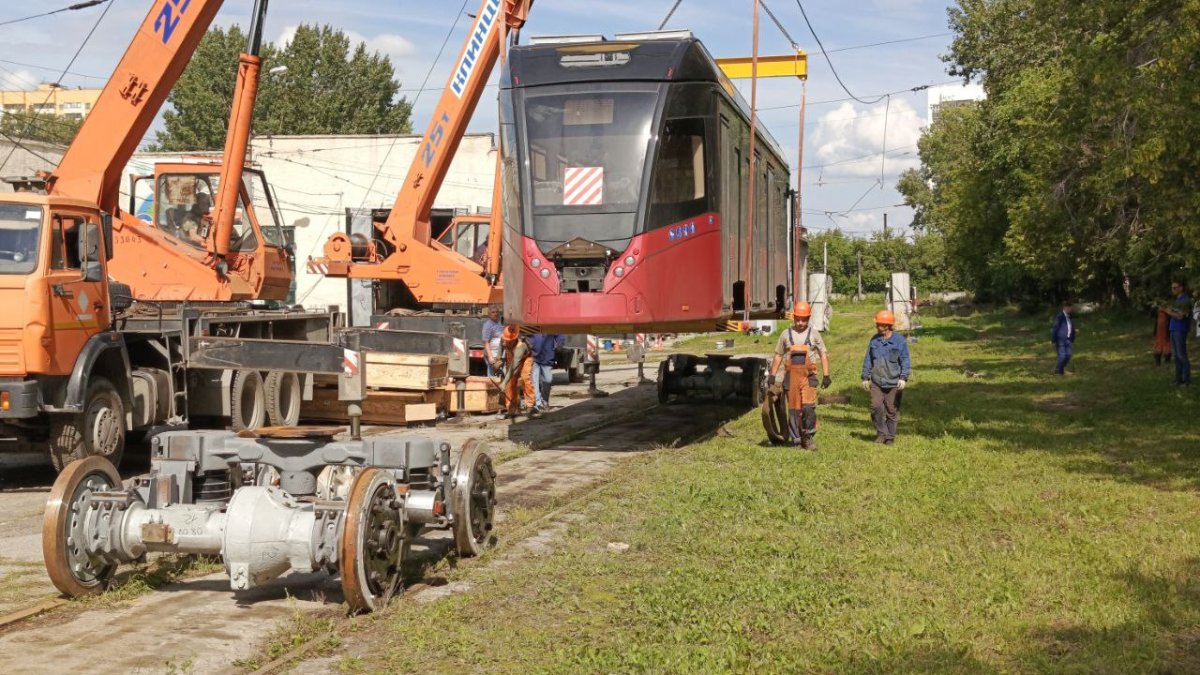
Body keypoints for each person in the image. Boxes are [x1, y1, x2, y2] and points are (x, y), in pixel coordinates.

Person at [767, 302, 831, 450]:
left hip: (809, 377)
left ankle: (807, 438)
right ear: (794, 317)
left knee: (809, 408)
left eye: (804, 319)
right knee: (794, 410)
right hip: (791, 378)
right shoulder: (785, 334)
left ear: (808, 318)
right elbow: (778, 356)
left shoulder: (814, 334)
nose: (801, 323)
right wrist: (772, 375)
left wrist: (826, 374)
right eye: (798, 319)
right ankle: (796, 440)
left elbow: (823, 354)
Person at [861, 310, 911, 445]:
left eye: (879, 325)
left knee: (891, 410)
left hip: (894, 382)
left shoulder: (899, 341)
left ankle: (890, 437)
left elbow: (905, 360)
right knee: (876, 407)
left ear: (887, 326)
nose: (876, 327)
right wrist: (865, 377)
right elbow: (868, 359)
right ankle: (881, 433)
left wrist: (903, 377)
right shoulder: (874, 340)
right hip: (877, 381)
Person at [500, 325, 536, 418]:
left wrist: (503, 382)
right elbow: (501, 346)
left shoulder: (520, 346)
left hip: (526, 358)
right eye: (506, 340)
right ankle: (512, 408)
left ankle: (530, 405)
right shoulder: (504, 338)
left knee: (525, 378)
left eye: (509, 340)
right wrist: (498, 359)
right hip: (513, 357)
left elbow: (514, 367)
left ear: (514, 339)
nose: (506, 341)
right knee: (510, 383)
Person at [529, 333, 564, 411]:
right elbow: (526, 335)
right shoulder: (533, 324)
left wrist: (559, 344)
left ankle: (544, 400)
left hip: (548, 357)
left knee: (548, 380)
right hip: (534, 356)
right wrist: (529, 343)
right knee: (535, 381)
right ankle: (538, 404)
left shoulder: (549, 324)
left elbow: (559, 335)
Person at [1166, 280, 1192, 386]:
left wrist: (1168, 311)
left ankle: (1186, 379)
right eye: (1172, 288)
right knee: (1176, 355)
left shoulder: (1185, 300)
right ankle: (1178, 378)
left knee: (1181, 354)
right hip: (1173, 329)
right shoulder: (1177, 300)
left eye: (1175, 287)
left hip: (1180, 330)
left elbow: (1180, 316)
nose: (1173, 290)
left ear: (1181, 288)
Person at [1050, 301, 1078, 375]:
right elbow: (1055, 328)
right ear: (1065, 307)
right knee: (1062, 356)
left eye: (1071, 308)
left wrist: (1074, 331)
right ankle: (1059, 371)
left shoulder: (1069, 317)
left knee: (1068, 355)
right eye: (1070, 308)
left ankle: (1059, 369)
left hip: (1068, 339)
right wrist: (1053, 340)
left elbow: (1069, 327)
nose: (1071, 310)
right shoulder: (1060, 316)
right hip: (1060, 339)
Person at [481, 306, 504, 378]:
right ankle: (490, 387)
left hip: (500, 351)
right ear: (489, 314)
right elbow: (485, 342)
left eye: (497, 312)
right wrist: (490, 356)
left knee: (500, 372)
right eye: (493, 312)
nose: (495, 314)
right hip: (492, 352)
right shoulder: (488, 325)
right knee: (492, 373)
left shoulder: (499, 323)